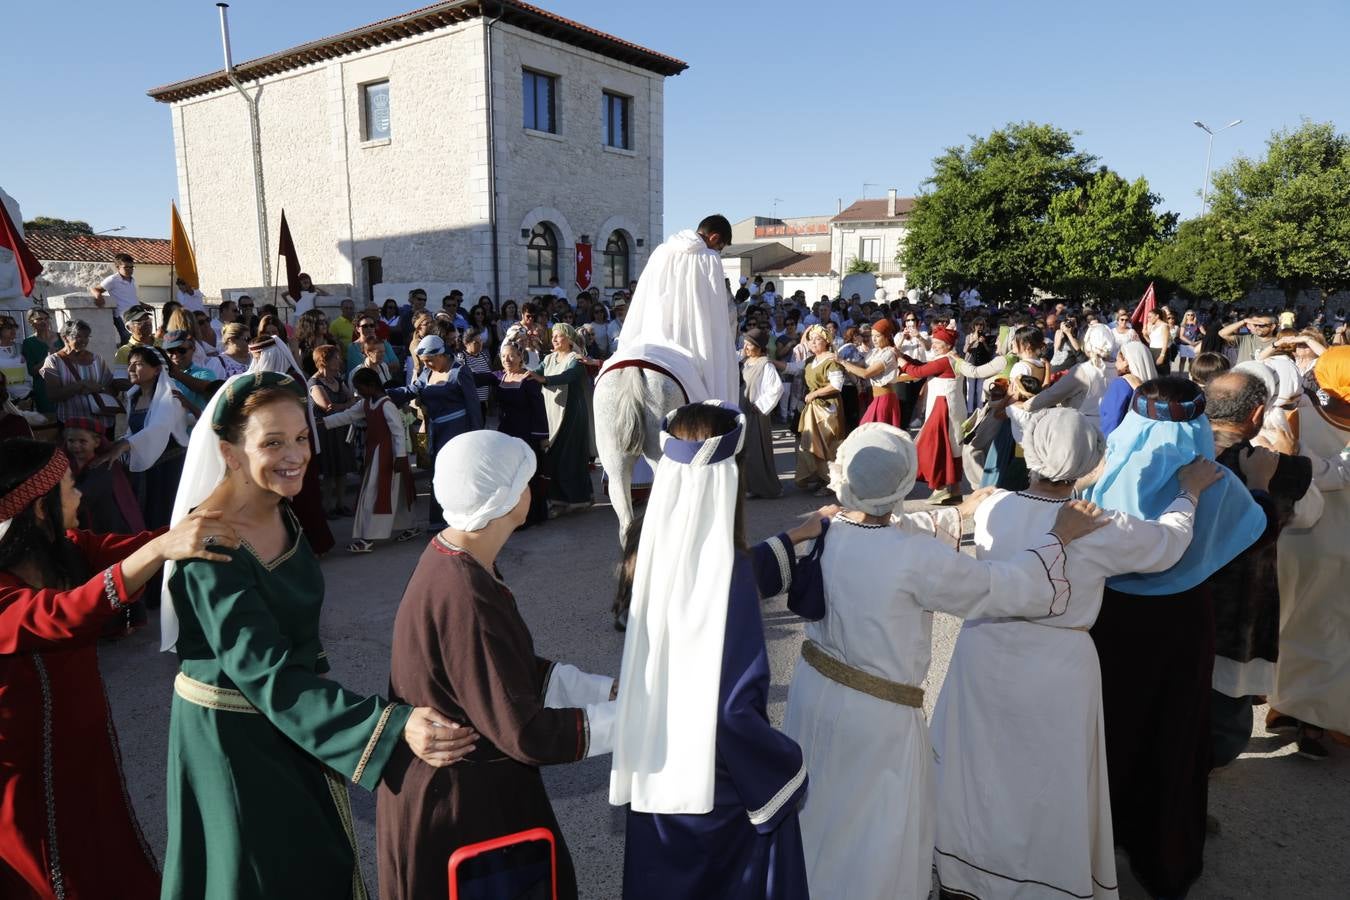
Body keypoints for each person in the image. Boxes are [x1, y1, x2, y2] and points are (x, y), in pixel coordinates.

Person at [158, 371, 475, 899]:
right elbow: (265, 672)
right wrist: (391, 726)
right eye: (273, 442)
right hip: (235, 739)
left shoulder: (276, 507)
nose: (295, 454)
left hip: (292, 719)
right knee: (262, 873)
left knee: (313, 860)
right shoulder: (210, 546)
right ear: (229, 452)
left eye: (301, 437)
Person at [780, 421, 1113, 900]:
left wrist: (958, 513)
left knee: (820, 806)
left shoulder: (824, 529)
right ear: (904, 484)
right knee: (876, 826)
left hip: (813, 692)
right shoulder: (914, 558)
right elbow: (1003, 587)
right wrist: (1056, 538)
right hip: (878, 715)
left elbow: (882, 526)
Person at [932, 409, 1223, 900]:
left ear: (1032, 453)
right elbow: (1169, 543)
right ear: (1091, 462)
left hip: (982, 651)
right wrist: (1188, 491)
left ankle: (967, 870)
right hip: (1057, 661)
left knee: (977, 766)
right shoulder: (1098, 524)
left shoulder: (993, 506)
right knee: (1048, 777)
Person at [376, 429, 615, 899]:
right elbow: (525, 731)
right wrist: (637, 719)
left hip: (456, 794)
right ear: (505, 498)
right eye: (525, 479)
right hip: (462, 811)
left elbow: (502, 669)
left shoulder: (455, 556)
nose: (533, 488)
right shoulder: (464, 590)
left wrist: (600, 690)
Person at [0, 438, 235, 900]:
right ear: (40, 509)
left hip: (85, 753)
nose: (81, 495)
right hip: (21, 774)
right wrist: (158, 551)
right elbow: (61, 615)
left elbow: (141, 544)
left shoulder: (66, 549)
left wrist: (232, 489)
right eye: (69, 487)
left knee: (105, 856)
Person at [612, 402, 825, 900]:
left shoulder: (652, 550)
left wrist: (796, 534)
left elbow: (734, 577)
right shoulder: (725, 571)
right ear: (728, 478)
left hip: (658, 775)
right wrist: (781, 767)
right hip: (716, 791)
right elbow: (732, 714)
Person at [1087, 377, 1267, 898]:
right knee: (1175, 729)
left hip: (1109, 618)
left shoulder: (1108, 472)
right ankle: (1163, 850)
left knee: (1111, 725)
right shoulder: (1213, 479)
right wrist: (1257, 486)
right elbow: (1255, 526)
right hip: (1182, 622)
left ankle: (1100, 836)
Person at [1203, 371, 1316, 766]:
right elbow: (1309, 513)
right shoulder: (1276, 469)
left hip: (1174, 604)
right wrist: (1290, 452)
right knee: (1223, 714)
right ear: (1256, 413)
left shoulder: (1172, 452)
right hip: (1238, 610)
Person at [1269, 347, 1350, 757]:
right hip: (1335, 544)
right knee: (1336, 634)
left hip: (1302, 542)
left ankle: (1301, 712)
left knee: (1298, 624)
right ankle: (1320, 716)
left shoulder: (1296, 417)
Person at [600, 215, 739, 405]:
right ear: (714, 238)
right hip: (688, 341)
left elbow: (644, 295)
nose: (718, 252)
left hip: (652, 333)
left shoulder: (661, 251)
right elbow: (714, 315)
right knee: (714, 393)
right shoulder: (709, 259)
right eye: (720, 247)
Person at [248, 335, 335, 556]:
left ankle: (313, 546)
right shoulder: (276, 379)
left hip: (295, 449)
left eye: (259, 356)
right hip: (279, 449)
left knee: (304, 500)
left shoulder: (290, 380)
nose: (256, 360)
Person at [320, 367, 420, 553]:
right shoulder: (367, 403)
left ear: (372, 386)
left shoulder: (386, 404)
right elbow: (348, 415)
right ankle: (411, 525)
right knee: (394, 493)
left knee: (375, 495)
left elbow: (398, 432)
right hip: (376, 453)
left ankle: (367, 538)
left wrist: (399, 457)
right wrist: (325, 423)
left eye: (360, 388)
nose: (358, 392)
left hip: (388, 455)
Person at [390, 335, 483, 527]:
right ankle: (438, 521)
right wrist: (383, 395)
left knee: (458, 475)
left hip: (457, 433)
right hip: (436, 432)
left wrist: (476, 436)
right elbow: (411, 390)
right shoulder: (426, 373)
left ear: (442, 355)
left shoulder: (460, 371)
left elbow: (473, 406)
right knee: (438, 476)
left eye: (431, 360)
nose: (428, 364)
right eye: (425, 362)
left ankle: (463, 520)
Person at [528, 323, 594, 517]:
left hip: (572, 414)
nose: (554, 339)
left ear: (569, 339)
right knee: (554, 456)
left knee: (570, 456)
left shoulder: (577, 359)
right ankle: (561, 499)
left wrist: (545, 380)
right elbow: (535, 373)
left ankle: (575, 499)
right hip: (552, 413)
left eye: (558, 336)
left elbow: (569, 376)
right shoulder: (548, 358)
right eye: (553, 336)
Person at [899, 326, 967, 504]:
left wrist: (901, 362)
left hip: (942, 406)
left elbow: (918, 372)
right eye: (934, 342)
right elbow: (924, 366)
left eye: (938, 343)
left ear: (947, 345)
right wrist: (904, 356)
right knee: (953, 447)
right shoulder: (951, 358)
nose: (934, 345)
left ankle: (940, 488)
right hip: (951, 406)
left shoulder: (945, 361)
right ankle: (956, 490)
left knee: (935, 446)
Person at [1023, 321, 1117, 425]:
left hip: (1084, 426)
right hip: (1108, 425)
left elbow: (1053, 394)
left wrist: (1026, 405)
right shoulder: (1117, 368)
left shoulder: (1084, 370)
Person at [791, 324, 844, 495]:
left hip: (828, 409)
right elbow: (791, 368)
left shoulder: (831, 360)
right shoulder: (809, 361)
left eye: (817, 339)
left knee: (827, 445)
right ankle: (819, 477)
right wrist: (769, 361)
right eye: (811, 339)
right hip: (813, 409)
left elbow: (836, 385)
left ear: (826, 341)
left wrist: (815, 394)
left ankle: (831, 482)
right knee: (811, 443)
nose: (813, 342)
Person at [40, 319, 118, 432]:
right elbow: (53, 395)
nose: (83, 340)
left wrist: (99, 388)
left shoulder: (97, 359)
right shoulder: (53, 361)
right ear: (65, 338)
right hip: (73, 425)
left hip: (102, 424)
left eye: (86, 336)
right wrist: (80, 385)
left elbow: (112, 389)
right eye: (78, 336)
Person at [308, 344, 356, 518]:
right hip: (325, 432)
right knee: (328, 471)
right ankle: (326, 507)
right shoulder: (314, 383)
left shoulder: (338, 380)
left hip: (340, 429)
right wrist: (347, 406)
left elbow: (352, 398)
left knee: (341, 468)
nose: (340, 360)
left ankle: (340, 504)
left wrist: (343, 406)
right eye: (336, 357)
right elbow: (328, 407)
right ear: (324, 361)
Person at [740, 327, 785, 499]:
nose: (745, 347)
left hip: (757, 412)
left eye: (749, 345)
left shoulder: (765, 364)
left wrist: (759, 405)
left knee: (758, 450)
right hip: (744, 410)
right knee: (746, 450)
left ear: (759, 347)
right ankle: (750, 486)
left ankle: (766, 487)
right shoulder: (745, 362)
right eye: (744, 344)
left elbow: (777, 388)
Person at [835, 318, 902, 428]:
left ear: (886, 336)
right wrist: (840, 362)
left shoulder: (889, 353)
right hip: (875, 396)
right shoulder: (874, 351)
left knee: (875, 431)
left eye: (878, 336)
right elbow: (860, 365)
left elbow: (866, 373)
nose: (874, 339)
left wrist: (842, 362)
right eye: (873, 336)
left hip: (885, 398)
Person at [1098, 342, 1157, 437]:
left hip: (1120, 443)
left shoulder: (1121, 384)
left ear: (1126, 362)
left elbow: (1112, 420)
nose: (1115, 364)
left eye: (1117, 360)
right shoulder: (1154, 386)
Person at [90, 252, 140, 343]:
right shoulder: (112, 280)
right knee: (128, 341)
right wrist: (98, 296)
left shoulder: (132, 280)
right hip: (122, 317)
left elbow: (130, 297)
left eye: (131, 267)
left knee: (138, 340)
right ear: (118, 267)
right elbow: (95, 289)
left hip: (137, 314)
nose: (130, 270)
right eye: (126, 267)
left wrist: (143, 305)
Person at [21, 309, 61, 416]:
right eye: (39, 319)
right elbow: (32, 371)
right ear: (31, 322)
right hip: (44, 389)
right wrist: (48, 358)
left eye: (46, 318)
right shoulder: (28, 343)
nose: (44, 321)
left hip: (65, 385)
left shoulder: (62, 337)